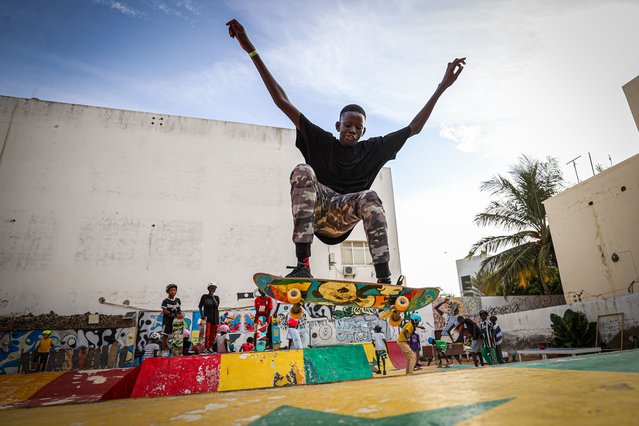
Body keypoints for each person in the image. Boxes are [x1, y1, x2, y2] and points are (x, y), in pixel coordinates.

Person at [226, 19, 465, 283]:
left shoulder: (373, 149)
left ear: (363, 131)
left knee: (371, 197)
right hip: (318, 211)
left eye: (357, 127)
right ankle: (302, 265)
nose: (351, 130)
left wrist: (442, 87)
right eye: (347, 125)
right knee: (303, 170)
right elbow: (282, 101)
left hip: (344, 214)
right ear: (338, 125)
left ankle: (384, 279)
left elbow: (414, 128)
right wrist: (251, 50)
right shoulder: (321, 140)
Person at [198, 283, 220, 353]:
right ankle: (206, 347)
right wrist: (201, 314)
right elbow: (200, 306)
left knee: (213, 334)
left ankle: (210, 347)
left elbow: (216, 305)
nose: (213, 289)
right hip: (207, 318)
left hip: (215, 318)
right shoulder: (204, 296)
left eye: (214, 288)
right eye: (211, 288)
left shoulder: (216, 297)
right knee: (207, 334)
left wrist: (212, 296)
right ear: (208, 288)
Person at [161, 283, 182, 353]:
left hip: (176, 322)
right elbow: (164, 310)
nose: (173, 292)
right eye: (171, 290)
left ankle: (176, 352)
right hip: (167, 321)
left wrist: (180, 315)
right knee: (165, 336)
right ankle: (164, 352)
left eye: (174, 290)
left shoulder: (178, 300)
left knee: (176, 337)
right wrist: (171, 314)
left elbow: (179, 310)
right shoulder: (165, 301)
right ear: (168, 291)